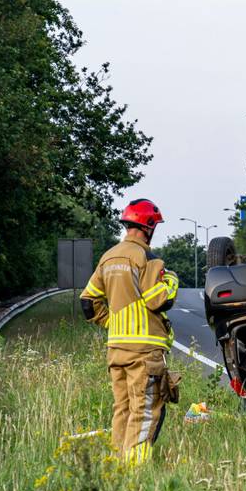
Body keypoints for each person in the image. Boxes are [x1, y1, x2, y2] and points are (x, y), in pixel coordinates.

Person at [79, 199, 180, 465]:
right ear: (149, 227)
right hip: (144, 351)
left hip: (116, 350)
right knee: (144, 411)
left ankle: (117, 467)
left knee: (122, 409)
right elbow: (158, 300)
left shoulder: (108, 257)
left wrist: (113, 323)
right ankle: (135, 471)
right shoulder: (148, 259)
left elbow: (88, 303)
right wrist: (171, 281)